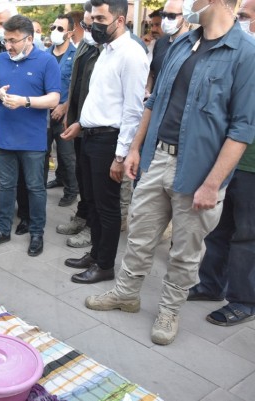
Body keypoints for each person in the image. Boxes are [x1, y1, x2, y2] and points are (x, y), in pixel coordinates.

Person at [85, 0, 255, 345]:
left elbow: (242, 128)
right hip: (157, 158)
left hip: (200, 171)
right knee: (139, 236)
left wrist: (213, 183)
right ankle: (126, 294)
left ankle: (169, 311)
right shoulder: (182, 42)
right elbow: (155, 100)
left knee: (185, 251)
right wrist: (135, 148)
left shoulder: (245, 52)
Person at [61, 0, 148, 284]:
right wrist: (80, 123)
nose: (94, 24)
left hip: (110, 141)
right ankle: (95, 254)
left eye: (100, 18)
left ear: (120, 20)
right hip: (90, 136)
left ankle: (105, 264)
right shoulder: (105, 51)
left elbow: (133, 110)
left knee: (107, 207)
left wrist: (121, 155)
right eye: (92, 18)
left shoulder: (132, 54)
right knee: (94, 202)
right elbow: (99, 98)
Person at [186, 0, 255, 327]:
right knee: (218, 228)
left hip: (251, 164)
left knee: (246, 235)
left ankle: (243, 298)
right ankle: (210, 283)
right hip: (226, 160)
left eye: (246, 17)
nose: (240, 22)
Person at [0, 15, 60, 257]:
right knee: (5, 186)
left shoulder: (46, 62)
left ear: (30, 39)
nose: (8, 46)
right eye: (6, 40)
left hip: (33, 140)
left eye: (13, 40)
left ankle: (37, 232)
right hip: (3, 137)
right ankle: (3, 229)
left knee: (35, 187)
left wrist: (25, 101)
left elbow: (54, 98)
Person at [0, 4, 32, 236]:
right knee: (0, 172)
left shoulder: (33, 46)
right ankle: (2, 214)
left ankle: (26, 216)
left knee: (24, 171)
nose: (0, 29)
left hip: (24, 115)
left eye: (4, 24)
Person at [56, 2, 101, 250]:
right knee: (82, 177)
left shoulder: (112, 49)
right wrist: (69, 112)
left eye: (91, 23)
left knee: (95, 184)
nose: (87, 28)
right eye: (84, 24)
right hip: (78, 122)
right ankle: (82, 216)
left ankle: (92, 228)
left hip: (97, 127)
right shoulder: (86, 45)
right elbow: (76, 81)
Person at [46, 14, 77, 207]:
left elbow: (77, 87)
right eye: (53, 27)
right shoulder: (44, 54)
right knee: (42, 153)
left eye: (60, 28)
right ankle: (49, 182)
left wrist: (64, 107)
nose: (55, 32)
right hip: (44, 114)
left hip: (65, 115)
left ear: (70, 33)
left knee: (67, 156)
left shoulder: (76, 55)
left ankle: (72, 190)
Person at [145, 0, 189, 97]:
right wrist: (148, 90)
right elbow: (152, 72)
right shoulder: (160, 43)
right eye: (163, 15)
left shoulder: (194, 44)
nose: (166, 20)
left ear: (185, 16)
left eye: (171, 16)